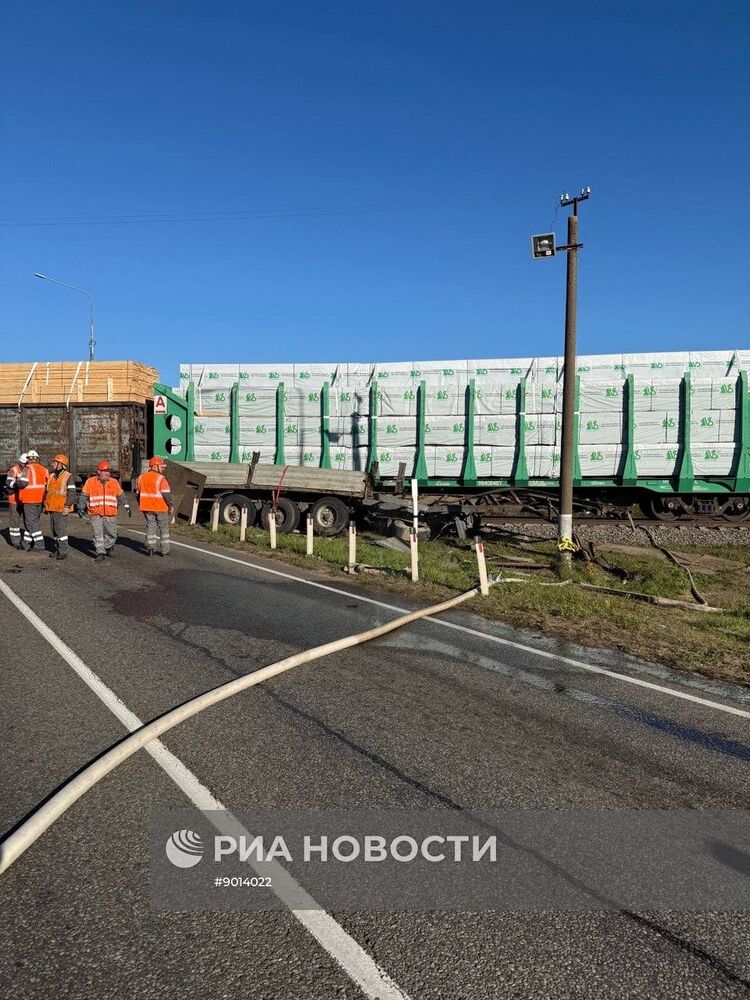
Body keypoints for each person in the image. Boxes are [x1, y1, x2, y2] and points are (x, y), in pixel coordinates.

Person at [78, 461, 131, 561]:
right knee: (97, 534)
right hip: (95, 512)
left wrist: (127, 505)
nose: (107, 473)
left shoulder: (114, 482)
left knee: (112, 533)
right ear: (98, 471)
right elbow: (84, 495)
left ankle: (108, 547)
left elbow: (121, 495)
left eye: (108, 471)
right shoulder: (90, 482)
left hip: (110, 513)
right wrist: (81, 507)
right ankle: (100, 552)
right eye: (105, 471)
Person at [135, 456, 174, 557]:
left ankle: (151, 548)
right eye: (161, 467)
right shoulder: (161, 479)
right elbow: (166, 495)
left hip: (147, 508)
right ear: (154, 466)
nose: (163, 469)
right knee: (164, 529)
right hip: (160, 507)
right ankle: (165, 551)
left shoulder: (141, 478)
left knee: (151, 527)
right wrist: (170, 505)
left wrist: (141, 504)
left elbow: (138, 494)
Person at [44, 454, 78, 560]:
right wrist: (46, 505)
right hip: (52, 507)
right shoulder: (51, 476)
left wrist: (67, 506)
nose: (52, 464)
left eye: (55, 462)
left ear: (61, 464)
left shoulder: (68, 476)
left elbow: (72, 493)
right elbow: (48, 492)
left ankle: (63, 551)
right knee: (54, 530)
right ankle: (57, 549)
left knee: (61, 530)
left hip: (61, 508)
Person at [17, 449, 49, 551]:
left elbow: (23, 483)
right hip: (40, 500)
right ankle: (26, 543)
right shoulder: (44, 469)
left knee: (31, 523)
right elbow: (48, 485)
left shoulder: (27, 469)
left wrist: (17, 482)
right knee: (32, 522)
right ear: (37, 459)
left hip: (29, 499)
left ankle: (39, 544)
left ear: (28, 459)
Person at [4, 453, 27, 549]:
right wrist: (19, 483)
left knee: (28, 522)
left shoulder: (29, 470)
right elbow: (9, 482)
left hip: (26, 500)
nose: (25, 465)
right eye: (23, 463)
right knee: (15, 522)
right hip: (15, 500)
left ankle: (26, 542)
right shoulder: (13, 470)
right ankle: (16, 542)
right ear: (20, 462)